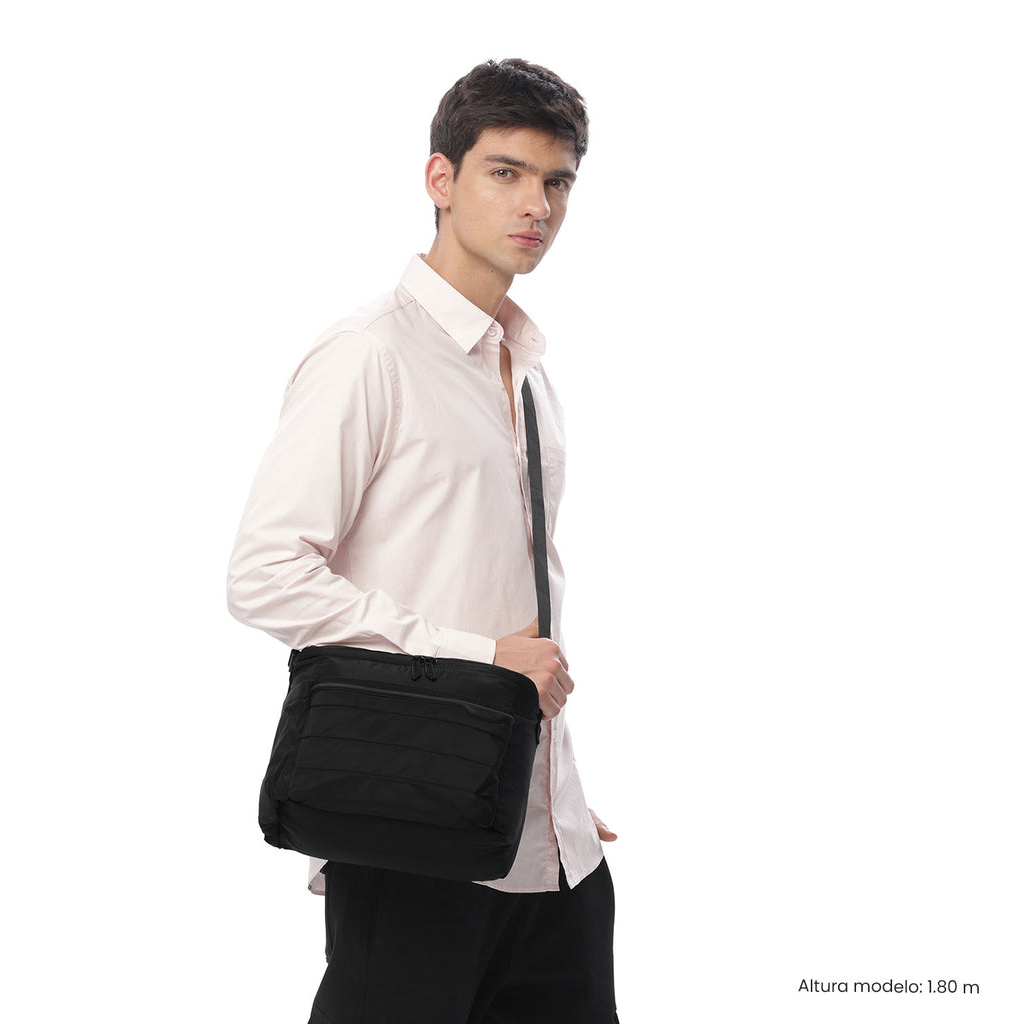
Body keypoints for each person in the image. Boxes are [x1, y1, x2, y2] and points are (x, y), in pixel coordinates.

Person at [227, 57, 619, 1023]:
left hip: (547, 838)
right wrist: (481, 664)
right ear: (441, 178)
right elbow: (265, 574)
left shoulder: (527, 370)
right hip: (412, 824)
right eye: (506, 172)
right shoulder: (369, 353)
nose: (536, 205)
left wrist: (547, 787)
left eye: (557, 181)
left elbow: (504, 588)